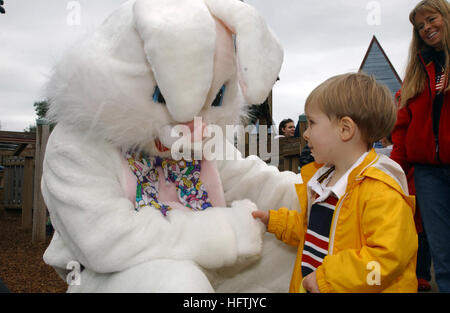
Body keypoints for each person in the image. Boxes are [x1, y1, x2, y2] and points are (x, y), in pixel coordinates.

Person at [252, 72, 418, 293]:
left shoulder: (380, 191)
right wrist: (274, 221)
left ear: (345, 129)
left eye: (311, 123)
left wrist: (330, 279)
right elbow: (312, 229)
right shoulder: (324, 180)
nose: (306, 134)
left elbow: (387, 259)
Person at [390, 0, 450, 292]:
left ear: (446, 17)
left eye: (431, 19)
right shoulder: (415, 75)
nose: (426, 28)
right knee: (443, 256)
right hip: (428, 175)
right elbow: (401, 129)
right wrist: (394, 172)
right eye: (420, 26)